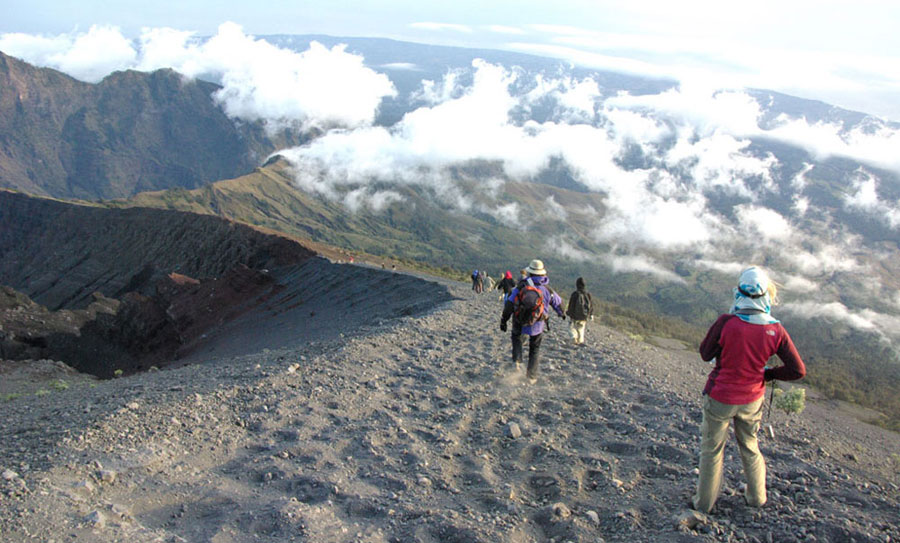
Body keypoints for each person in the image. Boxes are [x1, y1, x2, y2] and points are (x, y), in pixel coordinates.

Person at [693, 266, 806, 514]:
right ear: (766, 294)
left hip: (720, 396)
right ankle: (757, 498)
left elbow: (705, 354)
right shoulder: (776, 329)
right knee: (750, 447)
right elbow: (797, 370)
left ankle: (704, 504)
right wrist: (768, 374)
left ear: (739, 292)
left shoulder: (726, 323)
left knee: (712, 450)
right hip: (752, 399)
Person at [499, 259, 565, 383]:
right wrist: (562, 314)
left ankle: (517, 361)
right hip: (538, 324)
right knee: (534, 349)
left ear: (530, 272)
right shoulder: (547, 289)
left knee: (516, 338)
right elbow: (559, 304)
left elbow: (509, 304)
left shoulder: (522, 286)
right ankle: (531, 377)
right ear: (542, 273)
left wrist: (504, 320)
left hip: (519, 321)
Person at [565, 277, 594, 346]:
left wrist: (569, 313)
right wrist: (591, 314)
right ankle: (580, 342)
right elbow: (591, 306)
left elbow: (571, 306)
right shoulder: (588, 295)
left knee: (571, 328)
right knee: (581, 330)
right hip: (584, 317)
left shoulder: (575, 294)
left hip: (575, 316)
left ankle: (574, 337)